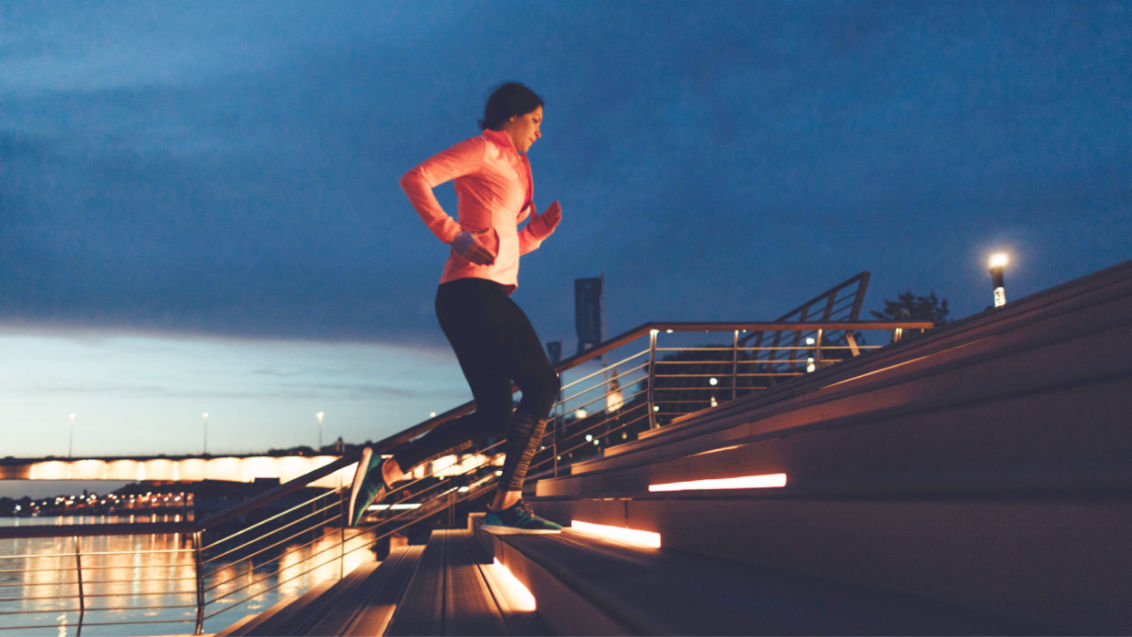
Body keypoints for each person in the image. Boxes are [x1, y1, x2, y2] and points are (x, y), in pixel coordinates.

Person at [348, 82, 564, 533]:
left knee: (494, 415)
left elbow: (502, 247)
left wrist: (537, 234)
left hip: (475, 294)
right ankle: (507, 504)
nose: (540, 133)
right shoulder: (484, 150)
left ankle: (385, 472)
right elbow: (415, 178)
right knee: (542, 385)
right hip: (471, 294)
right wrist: (453, 233)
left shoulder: (516, 166)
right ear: (511, 116)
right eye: (536, 121)